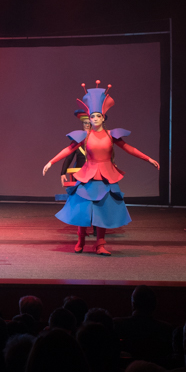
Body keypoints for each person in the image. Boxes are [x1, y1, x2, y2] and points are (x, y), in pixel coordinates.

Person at [43, 81, 159, 255]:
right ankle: (81, 239)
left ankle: (100, 244)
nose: (95, 119)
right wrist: (51, 162)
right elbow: (68, 150)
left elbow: (129, 148)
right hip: (87, 177)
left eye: (98, 116)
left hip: (106, 177)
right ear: (89, 119)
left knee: (102, 210)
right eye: (92, 116)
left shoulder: (111, 135)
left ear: (103, 118)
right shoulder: (84, 136)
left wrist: (148, 158)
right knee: (83, 209)